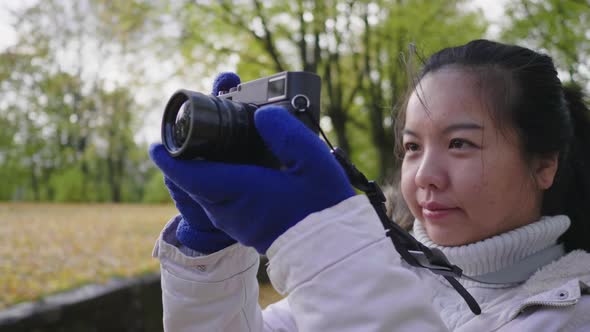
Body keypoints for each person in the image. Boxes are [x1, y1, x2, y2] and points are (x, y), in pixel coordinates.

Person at [149, 39, 590, 331]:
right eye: (413, 147)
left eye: (460, 143)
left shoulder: (568, 313)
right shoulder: (384, 266)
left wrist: (320, 241)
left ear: (543, 166)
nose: (425, 176)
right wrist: (209, 258)